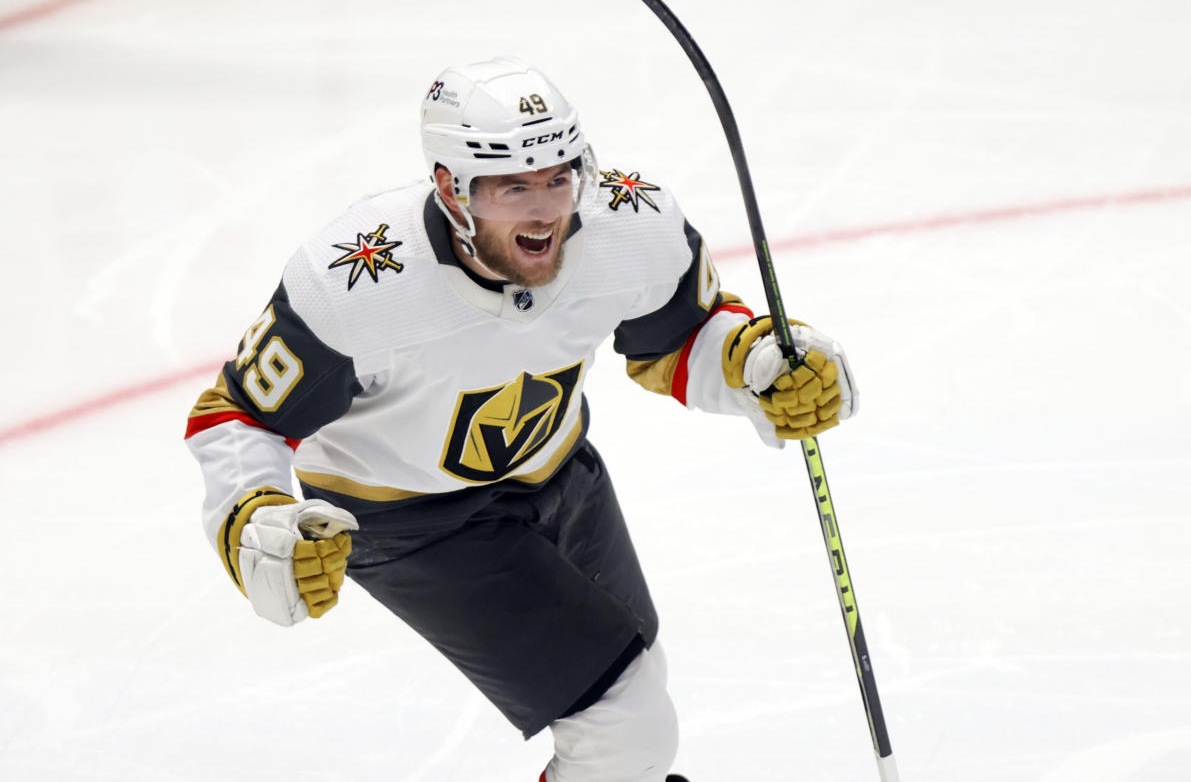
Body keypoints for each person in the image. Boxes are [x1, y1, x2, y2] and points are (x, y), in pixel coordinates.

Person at [184, 56, 856, 782]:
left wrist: (755, 364)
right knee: (622, 722)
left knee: (631, 686)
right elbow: (239, 414)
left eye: (558, 178)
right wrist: (252, 514)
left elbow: (682, 337)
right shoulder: (359, 285)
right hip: (414, 525)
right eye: (512, 186)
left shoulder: (627, 225)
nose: (544, 211)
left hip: (562, 475)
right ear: (451, 188)